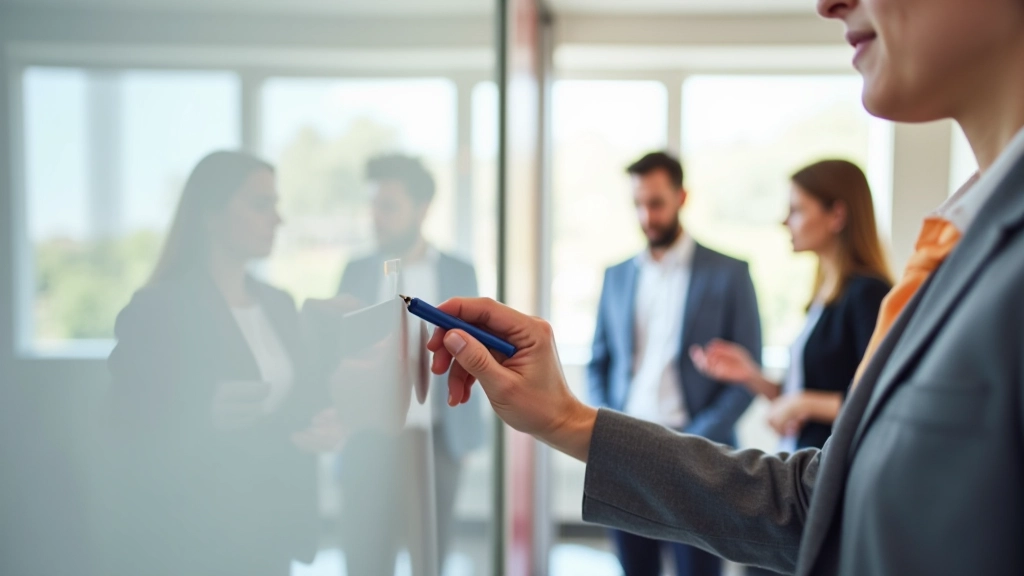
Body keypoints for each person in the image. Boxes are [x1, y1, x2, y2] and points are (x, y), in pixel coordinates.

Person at [425, 0, 1024, 574]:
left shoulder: (741, 272)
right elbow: (819, 506)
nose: (829, 3)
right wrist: (569, 418)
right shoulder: (955, 241)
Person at [100, 151, 336, 576]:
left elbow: (295, 402)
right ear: (210, 215)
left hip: (272, 530)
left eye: (276, 204)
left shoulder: (279, 304)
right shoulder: (158, 308)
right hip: (198, 537)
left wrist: (325, 422)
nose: (277, 219)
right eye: (261, 204)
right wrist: (197, 413)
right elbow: (123, 420)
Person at [588, 151, 761, 576]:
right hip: (626, 450)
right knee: (635, 569)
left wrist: (695, 445)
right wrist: (602, 425)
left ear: (682, 197)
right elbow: (599, 363)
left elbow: (745, 378)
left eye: (657, 203)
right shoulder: (616, 275)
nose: (647, 216)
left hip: (699, 453)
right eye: (638, 204)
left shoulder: (730, 273)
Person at [337, 153, 483, 573]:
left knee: (431, 557)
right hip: (369, 437)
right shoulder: (357, 271)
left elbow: (471, 352)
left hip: (439, 440)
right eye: (374, 205)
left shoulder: (458, 271)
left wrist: (468, 435)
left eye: (389, 207)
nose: (376, 217)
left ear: (422, 209)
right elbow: (341, 352)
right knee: (366, 557)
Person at [691, 160, 891, 454]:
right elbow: (811, 390)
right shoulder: (825, 294)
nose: (784, 221)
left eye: (796, 210)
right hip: (804, 461)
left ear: (836, 215)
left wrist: (802, 403)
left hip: (835, 470)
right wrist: (750, 375)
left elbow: (877, 398)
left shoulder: (867, 294)